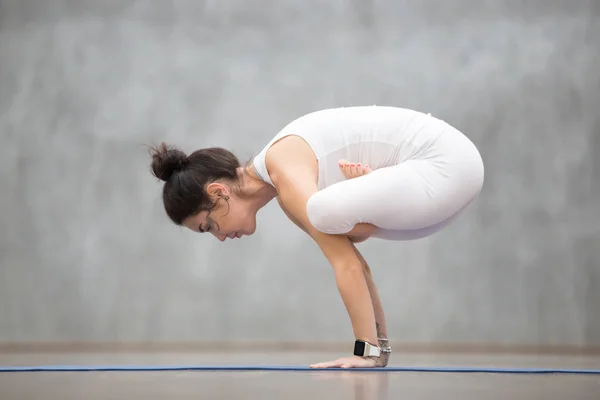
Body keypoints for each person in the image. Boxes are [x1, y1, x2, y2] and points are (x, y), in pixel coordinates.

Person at [149, 105, 484, 369]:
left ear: (219, 192)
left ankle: (365, 197)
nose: (219, 238)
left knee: (323, 212)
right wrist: (378, 351)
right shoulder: (285, 194)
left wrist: (363, 352)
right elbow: (357, 264)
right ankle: (376, 347)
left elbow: (347, 265)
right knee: (327, 216)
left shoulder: (281, 166)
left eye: (208, 226)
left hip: (445, 164)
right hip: (444, 187)